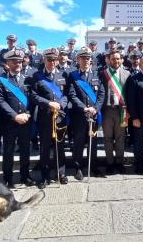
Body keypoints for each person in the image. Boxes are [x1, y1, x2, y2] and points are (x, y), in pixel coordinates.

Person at [0, 50, 35, 188]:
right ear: (8, 63)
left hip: (26, 120)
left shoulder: (28, 79)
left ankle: (25, 176)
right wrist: (15, 116)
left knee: (25, 150)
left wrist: (28, 114)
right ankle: (7, 178)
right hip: (9, 122)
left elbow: (32, 100)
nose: (17, 64)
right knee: (8, 151)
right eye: (14, 61)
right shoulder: (1, 80)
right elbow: (0, 100)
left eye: (19, 61)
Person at [31, 48, 69, 188]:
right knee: (45, 148)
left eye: (54, 59)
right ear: (44, 60)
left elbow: (67, 95)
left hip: (60, 117)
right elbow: (34, 96)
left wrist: (60, 104)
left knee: (60, 146)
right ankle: (45, 176)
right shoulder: (37, 76)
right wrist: (48, 103)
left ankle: (61, 174)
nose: (52, 62)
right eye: (49, 59)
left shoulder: (63, 75)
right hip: (45, 117)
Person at [67, 47, 105, 179]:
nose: (86, 60)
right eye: (83, 58)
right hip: (80, 115)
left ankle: (93, 165)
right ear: (78, 60)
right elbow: (72, 95)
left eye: (88, 58)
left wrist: (96, 108)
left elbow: (101, 94)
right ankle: (78, 167)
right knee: (78, 142)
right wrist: (84, 108)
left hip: (94, 115)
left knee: (92, 142)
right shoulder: (73, 76)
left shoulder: (97, 75)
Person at [100, 50, 130, 174]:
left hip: (121, 111)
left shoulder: (127, 74)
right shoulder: (102, 74)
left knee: (120, 138)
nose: (116, 61)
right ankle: (109, 163)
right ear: (109, 60)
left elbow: (129, 93)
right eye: (113, 59)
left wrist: (129, 111)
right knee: (107, 139)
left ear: (121, 60)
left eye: (118, 59)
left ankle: (119, 162)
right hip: (107, 110)